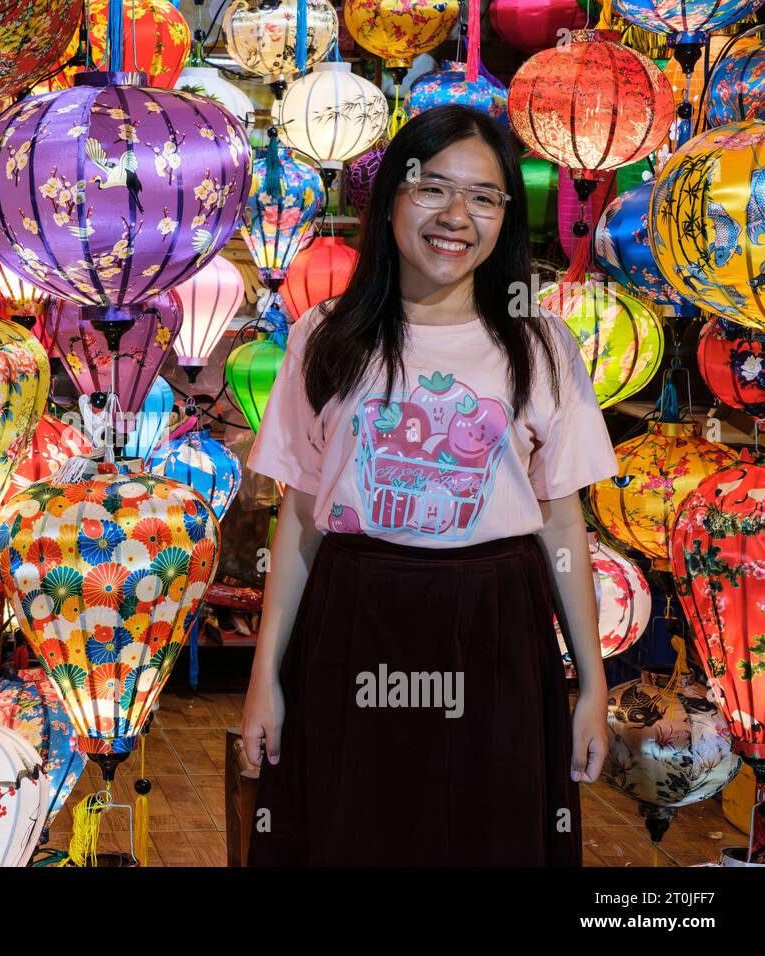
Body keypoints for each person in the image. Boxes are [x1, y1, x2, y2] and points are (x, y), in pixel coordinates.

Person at [241, 104, 619, 867]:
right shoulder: (326, 336)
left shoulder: (540, 343)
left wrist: (592, 688)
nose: (457, 216)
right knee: (353, 834)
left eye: (483, 197)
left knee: (491, 836)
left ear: (507, 217)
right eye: (432, 188)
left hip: (499, 625)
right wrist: (263, 678)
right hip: (354, 617)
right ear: (389, 205)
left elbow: (562, 525)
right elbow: (304, 516)